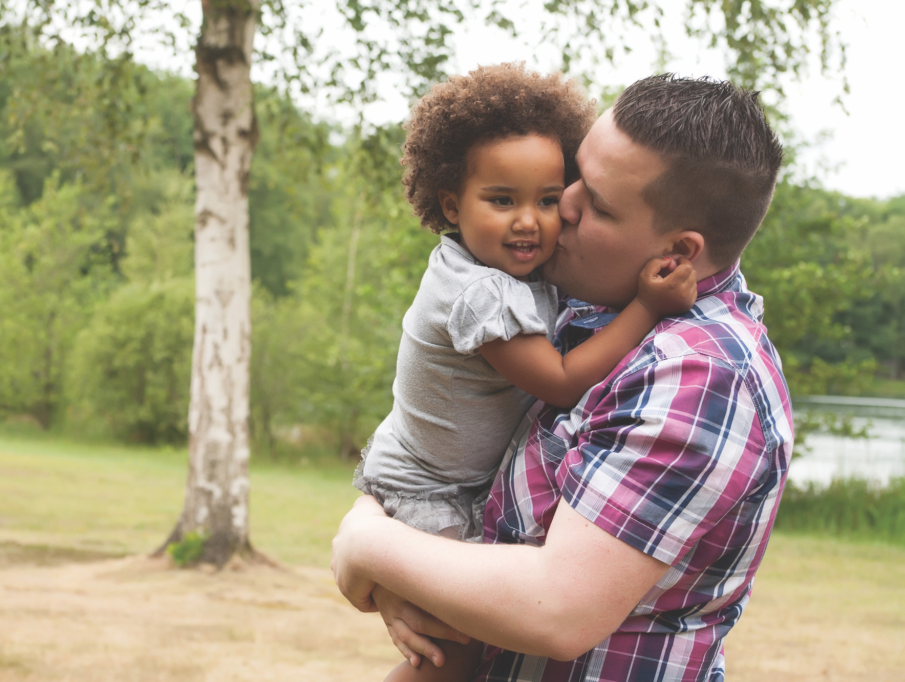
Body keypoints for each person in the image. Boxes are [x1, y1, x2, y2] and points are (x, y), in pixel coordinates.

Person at [331, 73, 794, 682]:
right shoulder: (586, 303)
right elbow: (446, 432)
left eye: (595, 203)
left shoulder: (699, 377)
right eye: (573, 177)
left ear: (677, 254)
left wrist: (365, 546)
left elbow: (559, 611)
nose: (561, 207)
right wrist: (394, 546)